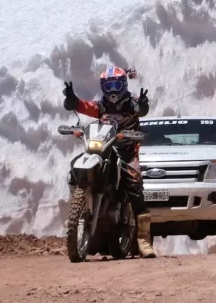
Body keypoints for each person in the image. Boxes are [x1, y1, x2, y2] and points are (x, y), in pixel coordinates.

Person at [63, 65, 156, 258]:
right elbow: (85, 107)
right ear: (103, 87)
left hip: (127, 152)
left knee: (134, 185)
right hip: (104, 149)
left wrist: (143, 104)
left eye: (116, 85)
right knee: (76, 166)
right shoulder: (102, 106)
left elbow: (141, 109)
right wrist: (72, 100)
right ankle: (82, 203)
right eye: (108, 85)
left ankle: (144, 240)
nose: (112, 90)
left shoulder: (131, 104)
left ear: (123, 85)